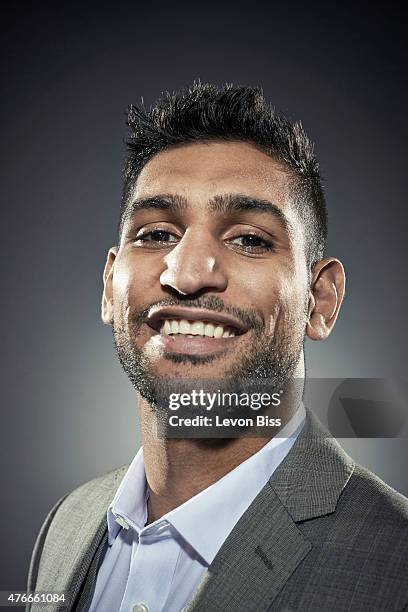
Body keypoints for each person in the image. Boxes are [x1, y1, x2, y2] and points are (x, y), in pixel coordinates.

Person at [27, 82, 408, 611]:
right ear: (109, 285)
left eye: (249, 239)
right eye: (156, 234)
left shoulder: (396, 563)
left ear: (319, 301)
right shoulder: (65, 526)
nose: (185, 274)